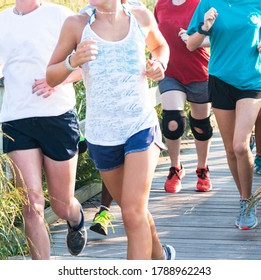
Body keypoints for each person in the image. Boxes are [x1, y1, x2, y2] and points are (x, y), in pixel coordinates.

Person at [46, 0, 174, 260]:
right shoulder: (77, 25)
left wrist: (159, 64)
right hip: (102, 135)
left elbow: (161, 46)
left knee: (132, 212)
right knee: (133, 208)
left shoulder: (140, 17)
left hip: (140, 125)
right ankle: (160, 256)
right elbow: (51, 76)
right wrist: (73, 61)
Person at [0, 0, 87, 259]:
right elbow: (0, 62)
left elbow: (85, 67)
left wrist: (55, 82)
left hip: (57, 116)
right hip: (18, 117)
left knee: (61, 205)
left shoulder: (63, 16)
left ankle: (75, 217)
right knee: (31, 206)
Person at [186, 0, 261, 230]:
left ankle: (247, 202)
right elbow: (190, 44)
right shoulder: (208, 3)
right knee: (229, 148)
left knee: (240, 145)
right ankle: (245, 198)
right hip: (220, 79)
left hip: (252, 79)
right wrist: (205, 26)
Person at [154, 0, 213, 193]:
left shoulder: (202, 4)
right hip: (170, 72)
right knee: (172, 122)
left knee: (200, 126)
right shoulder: (160, 4)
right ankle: (175, 168)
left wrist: (192, 39)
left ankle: (202, 169)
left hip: (199, 72)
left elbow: (217, 37)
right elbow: (154, 39)